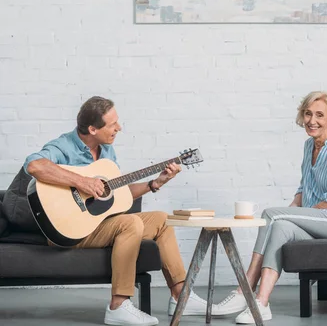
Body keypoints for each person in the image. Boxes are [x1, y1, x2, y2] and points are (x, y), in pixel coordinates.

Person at [24, 96, 210, 326]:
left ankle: (182, 297)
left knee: (162, 219)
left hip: (97, 225)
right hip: (66, 230)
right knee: (130, 223)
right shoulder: (64, 146)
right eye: (112, 125)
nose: (119, 128)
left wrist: (156, 184)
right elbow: (34, 165)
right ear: (92, 129)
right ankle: (118, 306)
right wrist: (81, 182)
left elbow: (116, 196)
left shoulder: (106, 154)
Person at [213, 91, 327, 324]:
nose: (312, 120)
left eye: (319, 115)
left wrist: (287, 215)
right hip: (322, 218)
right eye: (308, 114)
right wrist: (289, 213)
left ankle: (242, 290)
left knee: (270, 214)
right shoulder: (309, 146)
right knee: (280, 227)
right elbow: (302, 192)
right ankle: (261, 303)